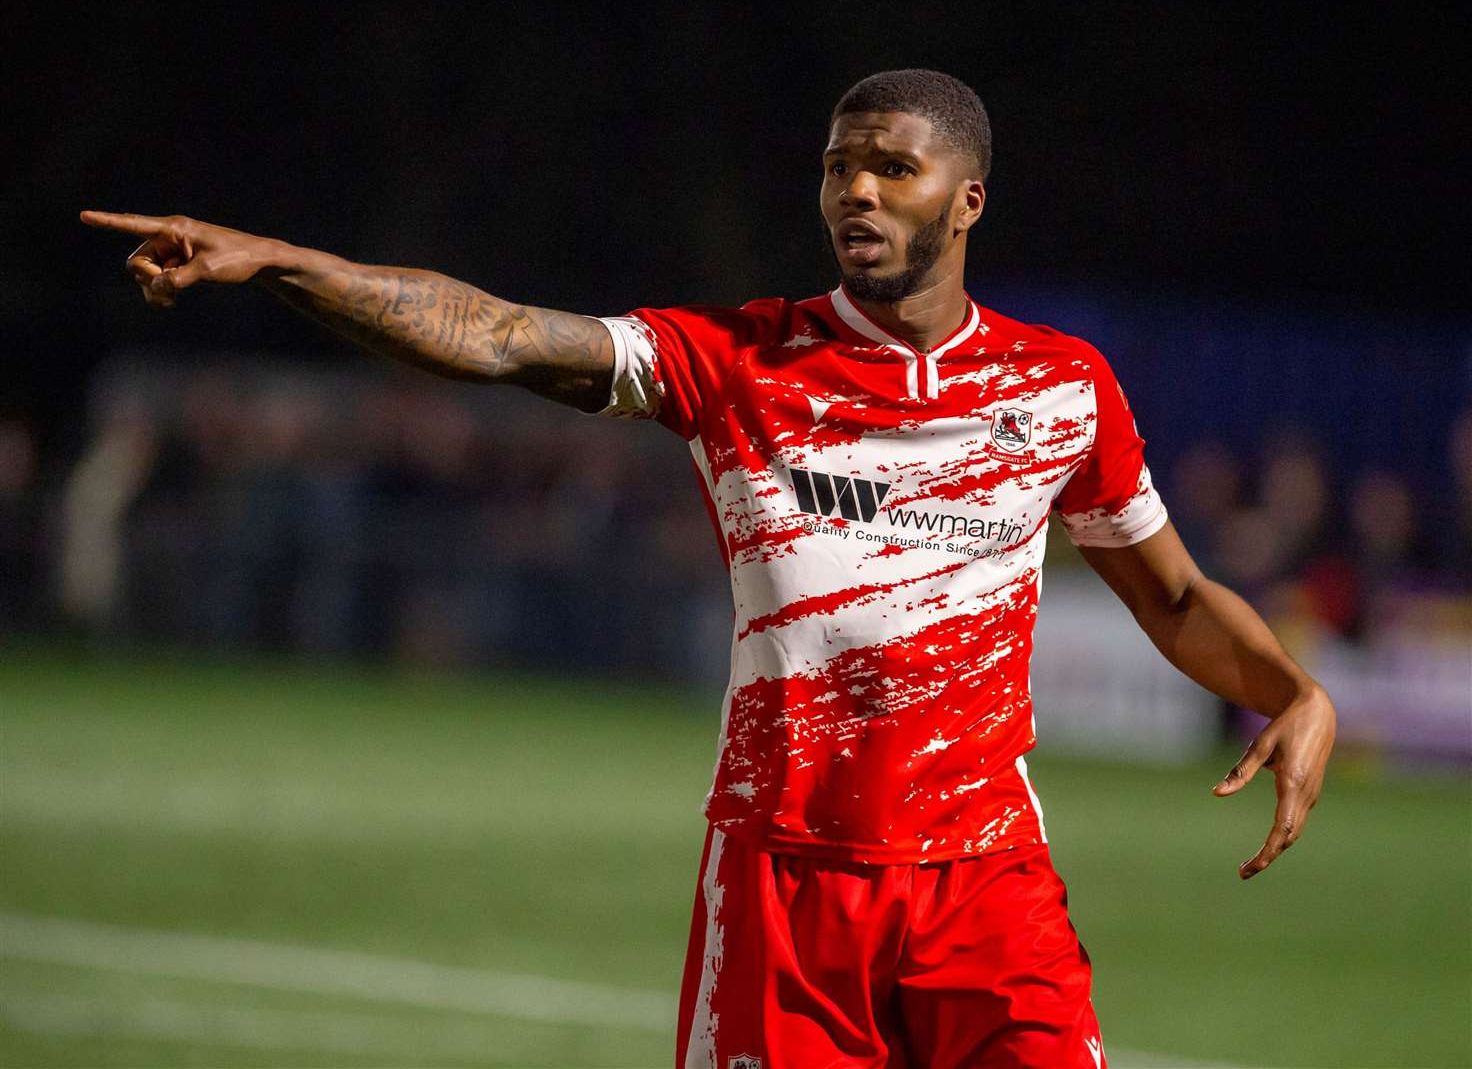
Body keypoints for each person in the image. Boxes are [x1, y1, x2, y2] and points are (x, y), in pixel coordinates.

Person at [82, 68, 1336, 1069]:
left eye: (892, 167)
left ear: (966, 200)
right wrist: (287, 262)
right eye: (839, 166)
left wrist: (1290, 688)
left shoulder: (1060, 388)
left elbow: (1169, 594)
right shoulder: (738, 362)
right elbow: (504, 337)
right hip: (784, 883)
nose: (855, 192)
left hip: (986, 881)